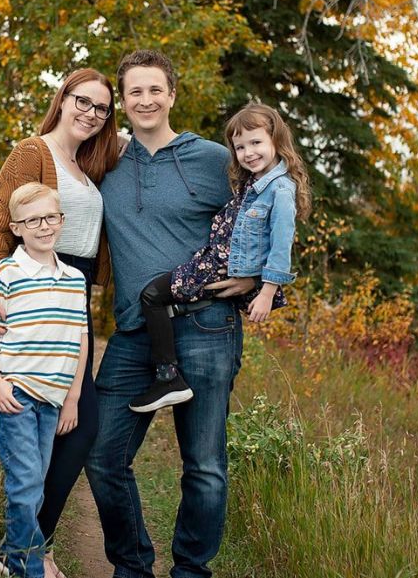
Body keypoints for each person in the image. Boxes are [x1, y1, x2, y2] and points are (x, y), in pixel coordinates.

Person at [87, 49, 256, 578]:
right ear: (122, 101)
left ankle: (191, 571)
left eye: (155, 89)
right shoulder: (106, 160)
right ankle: (133, 565)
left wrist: (257, 280)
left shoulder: (212, 159)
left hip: (207, 325)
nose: (145, 100)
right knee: (102, 456)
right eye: (134, 91)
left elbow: (266, 211)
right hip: (136, 332)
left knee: (203, 467)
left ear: (172, 95)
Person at [0, 68, 119, 578]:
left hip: (70, 290)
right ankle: (30, 550)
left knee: (74, 420)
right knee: (72, 426)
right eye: (83, 101)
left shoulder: (87, 167)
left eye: (101, 108)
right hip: (31, 284)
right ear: (63, 99)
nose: (90, 113)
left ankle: (27, 546)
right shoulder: (33, 152)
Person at [128, 102, 312, 413]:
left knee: (152, 296)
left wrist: (266, 292)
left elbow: (281, 247)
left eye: (256, 143)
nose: (248, 152)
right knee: (162, 298)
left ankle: (167, 377)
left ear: (276, 142)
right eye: (240, 147)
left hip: (218, 267)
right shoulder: (252, 182)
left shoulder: (279, 190)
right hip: (214, 261)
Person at [0, 183, 90, 577]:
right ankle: (31, 570)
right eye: (33, 220)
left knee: (35, 486)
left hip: (53, 397)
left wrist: (73, 398)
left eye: (51, 217)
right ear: (17, 227)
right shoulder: (6, 271)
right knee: (25, 482)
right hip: (16, 391)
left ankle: (8, 559)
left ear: (61, 220)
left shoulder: (75, 279)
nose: (44, 226)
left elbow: (81, 338)